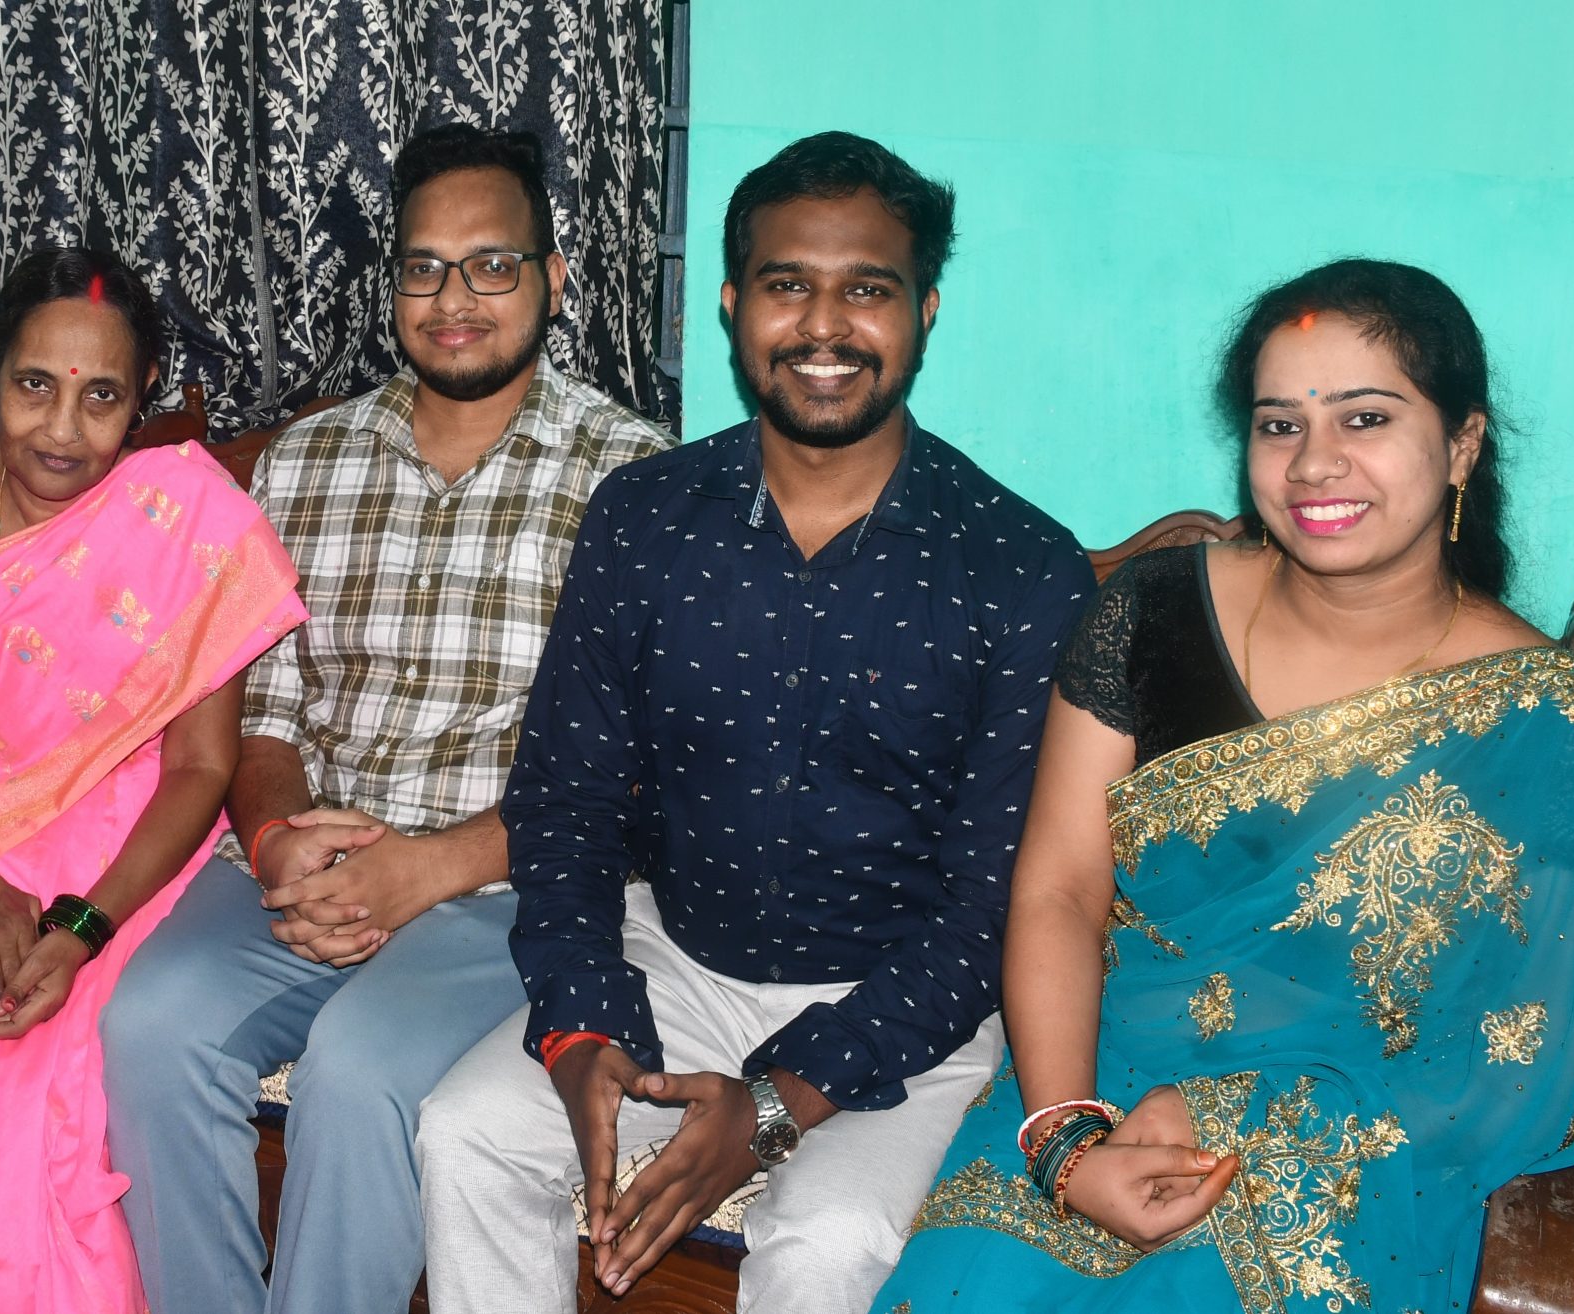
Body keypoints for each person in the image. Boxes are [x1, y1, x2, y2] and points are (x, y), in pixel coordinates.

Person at [867, 259, 1574, 1311]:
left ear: (1463, 443)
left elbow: (1540, 1060)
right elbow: (1058, 888)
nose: (1315, 464)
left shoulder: (1552, 723)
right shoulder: (1152, 611)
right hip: (1089, 1079)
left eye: (1366, 419)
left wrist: (1229, 1115)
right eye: (1279, 425)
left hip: (1351, 1156)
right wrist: (1064, 1140)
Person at [416, 130, 1095, 1314]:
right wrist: (583, 1028)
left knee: (828, 1242)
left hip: (914, 1014)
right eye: (787, 284)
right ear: (732, 304)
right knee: (466, 1133)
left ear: (924, 312)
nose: (822, 325)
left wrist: (777, 1102)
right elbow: (566, 803)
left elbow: (998, 906)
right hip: (679, 959)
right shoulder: (644, 517)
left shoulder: (1019, 568)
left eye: (866, 289)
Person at [98, 123, 674, 1313]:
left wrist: (429, 870)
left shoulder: (636, 481)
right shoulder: (303, 462)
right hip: (305, 865)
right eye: (423, 268)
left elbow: (641, 773)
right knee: (147, 1024)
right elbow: (263, 714)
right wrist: (276, 839)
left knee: (360, 1071)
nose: (453, 299)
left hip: (512, 888)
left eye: (491, 265)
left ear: (553, 277)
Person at [0, 246, 306, 1314]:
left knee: (68, 1072)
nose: (63, 430)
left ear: (144, 393)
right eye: (35, 384)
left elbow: (202, 768)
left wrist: (81, 927)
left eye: (101, 397)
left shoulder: (190, 516)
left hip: (128, 860)